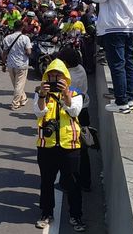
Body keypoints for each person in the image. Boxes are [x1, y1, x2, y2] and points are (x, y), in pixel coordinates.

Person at [32, 59, 86, 232]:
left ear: (66, 78)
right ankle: (46, 213)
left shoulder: (75, 93)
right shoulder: (41, 93)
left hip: (69, 145)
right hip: (46, 146)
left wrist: (66, 95)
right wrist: (42, 95)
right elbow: (38, 112)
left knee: (73, 183)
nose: (54, 79)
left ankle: (76, 215)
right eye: (51, 76)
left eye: (58, 76)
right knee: (46, 181)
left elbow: (75, 111)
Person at [59, 46, 92, 192]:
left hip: (73, 112)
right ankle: (85, 181)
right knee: (83, 149)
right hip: (84, 111)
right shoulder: (81, 69)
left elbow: (66, 97)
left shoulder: (68, 75)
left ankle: (68, 182)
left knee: (69, 149)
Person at [1, 21, 32, 110]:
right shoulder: (25, 38)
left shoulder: (7, 38)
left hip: (11, 64)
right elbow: (29, 52)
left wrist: (3, 64)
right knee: (19, 85)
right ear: (22, 27)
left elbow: (4, 53)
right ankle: (15, 103)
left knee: (16, 84)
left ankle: (23, 98)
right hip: (22, 64)